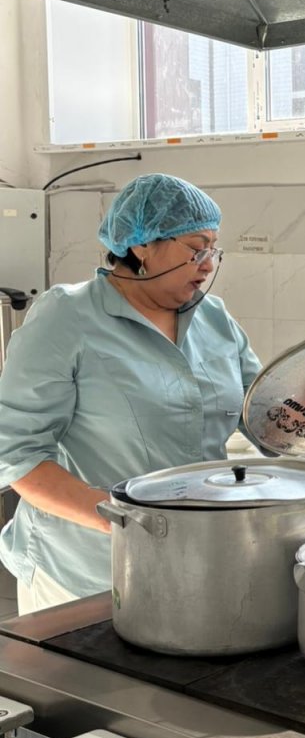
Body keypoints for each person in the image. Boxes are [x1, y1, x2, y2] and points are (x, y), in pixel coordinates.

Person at [0, 173, 261, 613]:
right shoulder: (67, 317)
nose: (208, 265)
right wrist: (127, 519)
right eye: (196, 248)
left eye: (213, 250)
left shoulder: (213, 317)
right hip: (86, 569)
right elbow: (16, 456)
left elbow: (260, 413)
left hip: (197, 555)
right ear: (142, 246)